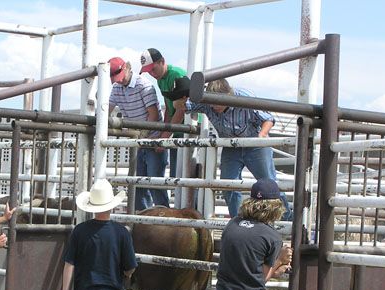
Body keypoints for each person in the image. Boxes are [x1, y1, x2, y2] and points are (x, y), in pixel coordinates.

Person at [171, 77, 293, 220]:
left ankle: (286, 220)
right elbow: (181, 106)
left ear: (228, 96)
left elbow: (268, 118)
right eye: (212, 103)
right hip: (231, 145)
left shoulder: (244, 98)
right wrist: (182, 95)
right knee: (229, 185)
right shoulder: (206, 102)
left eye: (218, 103)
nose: (214, 107)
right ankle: (238, 220)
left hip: (254, 144)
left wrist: (262, 134)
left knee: (269, 183)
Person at [108, 56, 169, 211]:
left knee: (154, 182)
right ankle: (143, 219)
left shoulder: (143, 85)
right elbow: (106, 109)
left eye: (120, 77)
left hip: (150, 139)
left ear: (127, 68)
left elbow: (153, 115)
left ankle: (162, 217)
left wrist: (139, 137)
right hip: (138, 141)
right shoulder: (116, 88)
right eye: (116, 79)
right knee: (137, 184)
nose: (119, 81)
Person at [140, 48, 187, 179]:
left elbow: (181, 109)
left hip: (189, 130)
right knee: (178, 177)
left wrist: (164, 136)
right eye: (148, 71)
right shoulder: (161, 79)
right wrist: (163, 134)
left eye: (153, 69)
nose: (152, 74)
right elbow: (169, 108)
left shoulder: (176, 75)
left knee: (184, 177)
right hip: (179, 131)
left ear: (162, 61)